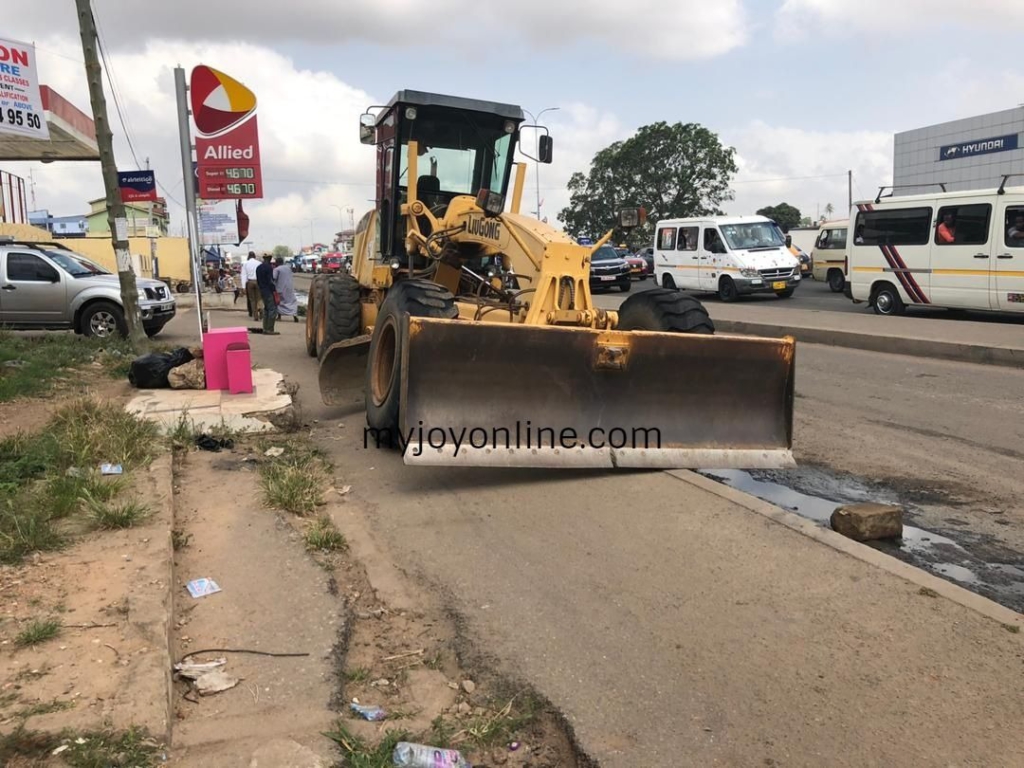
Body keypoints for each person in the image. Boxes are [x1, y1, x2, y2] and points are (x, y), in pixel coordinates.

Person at [256, 254, 279, 335]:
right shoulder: (269, 268)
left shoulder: (258, 267)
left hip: (262, 290)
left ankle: (265, 328)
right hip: (268, 291)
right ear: (269, 258)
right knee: (272, 309)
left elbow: (258, 281)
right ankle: (270, 329)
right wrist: (274, 291)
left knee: (266, 309)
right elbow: (271, 281)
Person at [272, 256, 299, 323]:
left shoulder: (277, 269)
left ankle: (279, 316)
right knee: (291, 301)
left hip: (280, 288)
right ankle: (294, 316)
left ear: (277, 263)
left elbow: (274, 278)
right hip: (289, 288)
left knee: (279, 302)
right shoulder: (288, 268)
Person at [240, 251, 261, 319]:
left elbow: (243, 275)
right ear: (254, 256)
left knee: (252, 300)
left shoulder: (245, 264)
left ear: (248, 256)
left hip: (250, 282)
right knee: (259, 298)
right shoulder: (259, 263)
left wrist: (243, 287)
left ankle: (255, 315)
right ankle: (261, 310)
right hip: (258, 282)